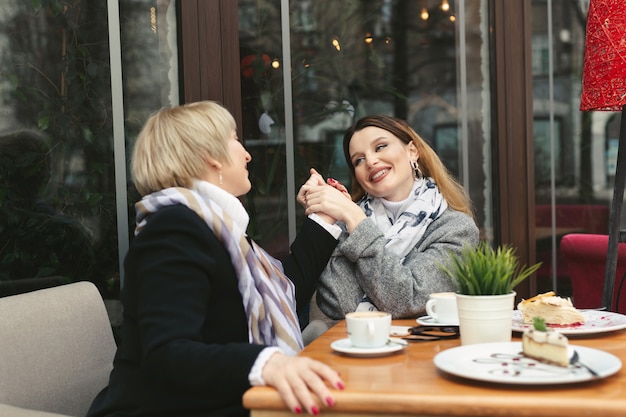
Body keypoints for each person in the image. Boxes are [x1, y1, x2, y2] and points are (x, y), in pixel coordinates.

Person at [86, 101, 344, 417]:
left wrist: (324, 220)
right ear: (210, 156)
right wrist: (267, 362)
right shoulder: (173, 229)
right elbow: (168, 355)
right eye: (235, 140)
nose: (247, 154)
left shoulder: (216, 229)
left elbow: (284, 290)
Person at [299, 115, 479, 322]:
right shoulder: (347, 223)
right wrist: (337, 220)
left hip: (423, 351)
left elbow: (408, 301)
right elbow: (340, 305)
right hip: (352, 350)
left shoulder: (455, 229)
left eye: (380, 147)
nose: (371, 161)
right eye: (359, 159)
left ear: (412, 151)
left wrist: (356, 221)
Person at [0, 129, 98, 291]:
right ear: (44, 175)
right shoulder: (65, 234)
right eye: (46, 166)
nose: (49, 172)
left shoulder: (61, 232)